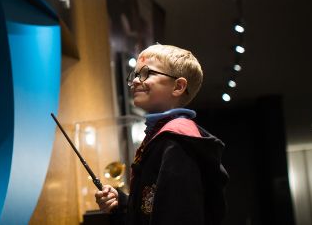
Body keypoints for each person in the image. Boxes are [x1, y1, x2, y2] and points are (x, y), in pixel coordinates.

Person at [95, 44, 228, 224]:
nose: (135, 81)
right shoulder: (161, 136)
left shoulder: (178, 141)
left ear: (178, 86)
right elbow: (152, 206)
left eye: (146, 73)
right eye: (135, 75)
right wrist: (122, 204)